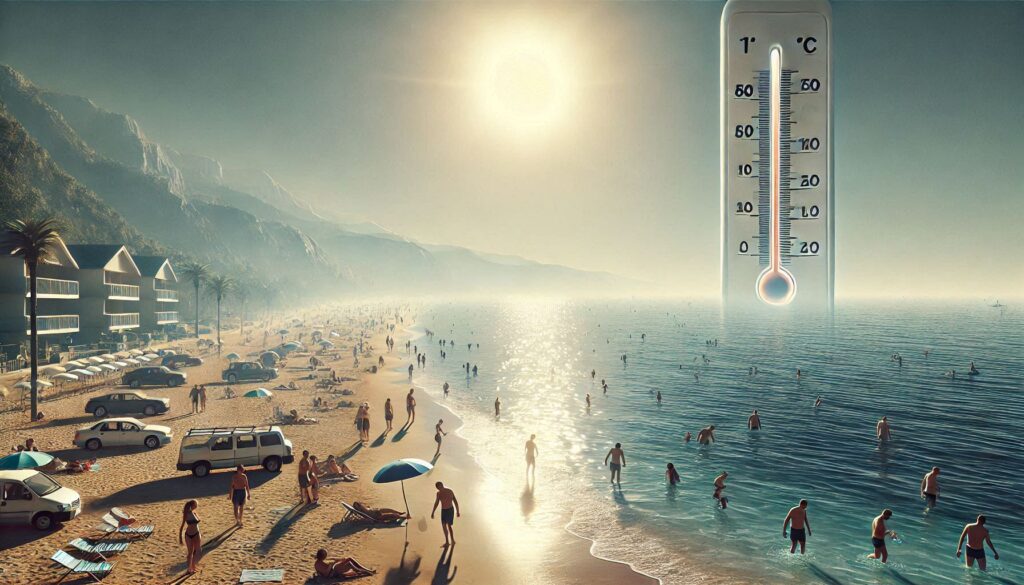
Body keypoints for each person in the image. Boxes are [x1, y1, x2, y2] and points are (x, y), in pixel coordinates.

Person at [431, 481, 461, 546]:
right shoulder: (438, 493)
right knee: (444, 526)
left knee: (449, 526)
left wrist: (458, 511)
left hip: (450, 510)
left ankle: (452, 540)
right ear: (437, 488)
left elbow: (455, 501)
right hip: (444, 511)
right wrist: (433, 512)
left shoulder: (450, 491)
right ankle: (447, 541)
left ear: (442, 485)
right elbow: (436, 503)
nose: (439, 488)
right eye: (438, 487)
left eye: (440, 486)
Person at [178, 499, 202, 574]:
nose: (197, 506)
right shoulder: (186, 514)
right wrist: (180, 538)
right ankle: (189, 568)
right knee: (190, 552)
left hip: (196, 533)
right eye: (196, 505)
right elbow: (182, 526)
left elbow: (198, 520)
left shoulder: (194, 513)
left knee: (198, 550)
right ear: (192, 505)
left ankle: (193, 566)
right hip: (188, 534)